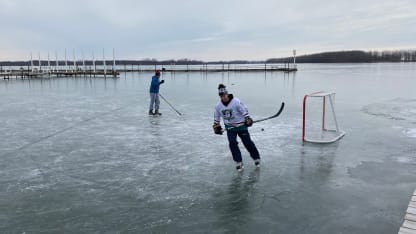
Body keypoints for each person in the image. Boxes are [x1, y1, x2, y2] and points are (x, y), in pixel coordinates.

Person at [213, 84, 260, 171]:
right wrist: (216, 126)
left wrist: (248, 119)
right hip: (230, 128)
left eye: (224, 95)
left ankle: (256, 158)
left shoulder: (236, 101)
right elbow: (216, 117)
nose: (223, 97)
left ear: (227, 93)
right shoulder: (218, 106)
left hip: (241, 126)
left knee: (248, 143)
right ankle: (239, 162)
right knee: (232, 143)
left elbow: (244, 110)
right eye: (221, 95)